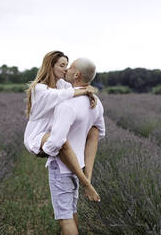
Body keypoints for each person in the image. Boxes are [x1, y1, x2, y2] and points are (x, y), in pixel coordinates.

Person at [24, 51, 100, 201]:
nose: (65, 69)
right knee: (61, 141)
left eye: (67, 65)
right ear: (50, 66)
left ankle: (85, 177)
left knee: (90, 133)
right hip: (38, 135)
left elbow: (76, 87)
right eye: (62, 65)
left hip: (51, 131)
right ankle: (86, 183)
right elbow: (62, 95)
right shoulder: (38, 88)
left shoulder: (62, 84)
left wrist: (89, 92)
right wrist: (84, 91)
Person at [42, 58, 105, 235]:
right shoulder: (95, 102)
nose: (66, 69)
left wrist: (44, 149)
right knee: (71, 211)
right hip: (79, 166)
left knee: (65, 218)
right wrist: (87, 176)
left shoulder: (66, 104)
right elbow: (96, 134)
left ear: (77, 74)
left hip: (62, 166)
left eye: (70, 67)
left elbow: (57, 143)